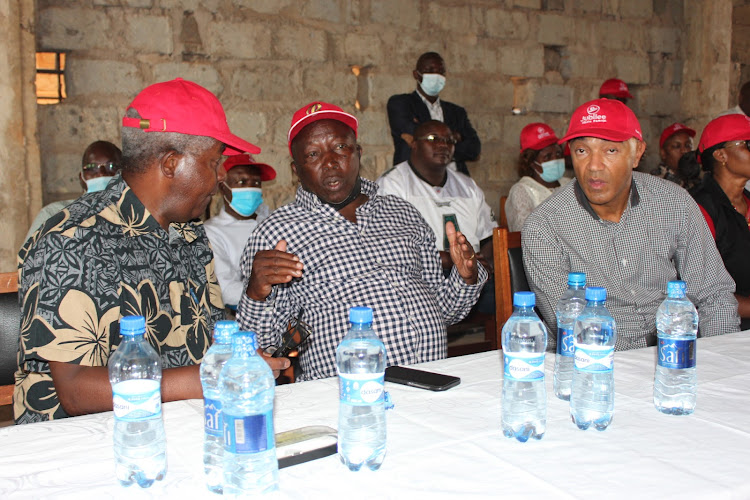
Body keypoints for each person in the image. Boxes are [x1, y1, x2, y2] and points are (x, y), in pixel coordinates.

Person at [14, 78, 289, 424]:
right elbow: (75, 392)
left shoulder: (189, 234)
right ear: (171, 163)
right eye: (214, 162)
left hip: (180, 423)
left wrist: (242, 358)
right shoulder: (72, 240)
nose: (222, 178)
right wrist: (202, 379)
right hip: (81, 443)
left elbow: (211, 339)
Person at [237, 101, 487, 382]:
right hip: (349, 395)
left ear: (358, 153)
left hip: (432, 380)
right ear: (296, 170)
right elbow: (263, 348)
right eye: (313, 154)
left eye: (340, 148)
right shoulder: (276, 234)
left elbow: (443, 310)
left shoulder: (402, 213)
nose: (330, 162)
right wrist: (257, 293)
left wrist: (465, 277)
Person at [522, 98, 740, 351]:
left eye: (610, 150)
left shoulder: (673, 202)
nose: (593, 166)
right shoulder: (545, 226)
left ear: (637, 153)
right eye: (582, 151)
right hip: (595, 363)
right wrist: (646, 364)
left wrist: (719, 358)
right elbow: (575, 328)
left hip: (675, 348)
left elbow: (714, 294)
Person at [377, 120, 496, 313]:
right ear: (414, 144)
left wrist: (486, 264)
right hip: (421, 277)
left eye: (449, 140)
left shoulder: (467, 185)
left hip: (470, 272)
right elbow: (389, 251)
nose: (443, 145)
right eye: (433, 139)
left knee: (506, 295)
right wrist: (451, 259)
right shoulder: (392, 185)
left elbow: (489, 237)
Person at [690, 114, 750, 330]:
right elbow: (699, 291)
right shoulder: (699, 208)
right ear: (721, 155)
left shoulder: (746, 201)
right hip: (721, 330)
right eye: (748, 144)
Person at [387, 52, 481, 175]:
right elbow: (416, 136)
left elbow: (474, 149)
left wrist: (431, 142)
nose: (436, 75)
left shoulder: (456, 112)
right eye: (430, 70)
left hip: (454, 182)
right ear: (416, 75)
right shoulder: (401, 104)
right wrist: (453, 139)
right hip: (414, 180)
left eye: (440, 72)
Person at [204, 153, 276, 309]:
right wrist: (272, 294)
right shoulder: (213, 232)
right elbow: (225, 290)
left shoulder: (272, 221)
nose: (251, 188)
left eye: (256, 182)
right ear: (223, 187)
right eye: (242, 182)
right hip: (247, 316)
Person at [24, 140, 122, 241]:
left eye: (112, 166)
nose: (102, 173)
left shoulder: (135, 217)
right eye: (92, 168)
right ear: (81, 178)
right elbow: (29, 255)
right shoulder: (53, 214)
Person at [505, 123, 570, 232]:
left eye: (558, 154)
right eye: (547, 157)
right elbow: (525, 234)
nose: (555, 160)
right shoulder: (522, 191)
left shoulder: (570, 184)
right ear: (531, 162)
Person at [649, 122, 700, 189]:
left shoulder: (695, 180)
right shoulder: (654, 183)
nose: (684, 151)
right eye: (677, 146)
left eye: (688, 145)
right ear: (663, 153)